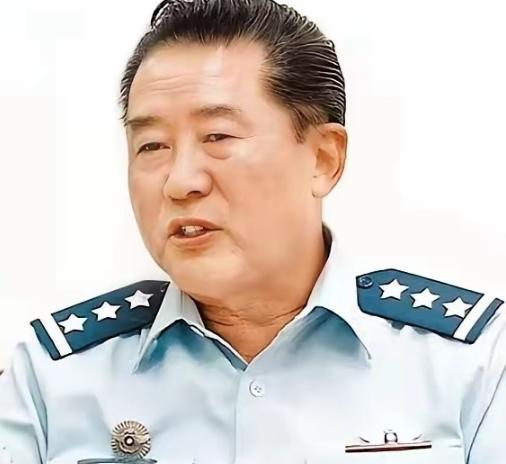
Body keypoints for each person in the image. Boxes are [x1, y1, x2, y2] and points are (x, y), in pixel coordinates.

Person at [0, 0, 504, 462]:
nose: (180, 182)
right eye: (152, 146)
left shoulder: (472, 366)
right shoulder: (51, 377)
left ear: (323, 158)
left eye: (218, 136)